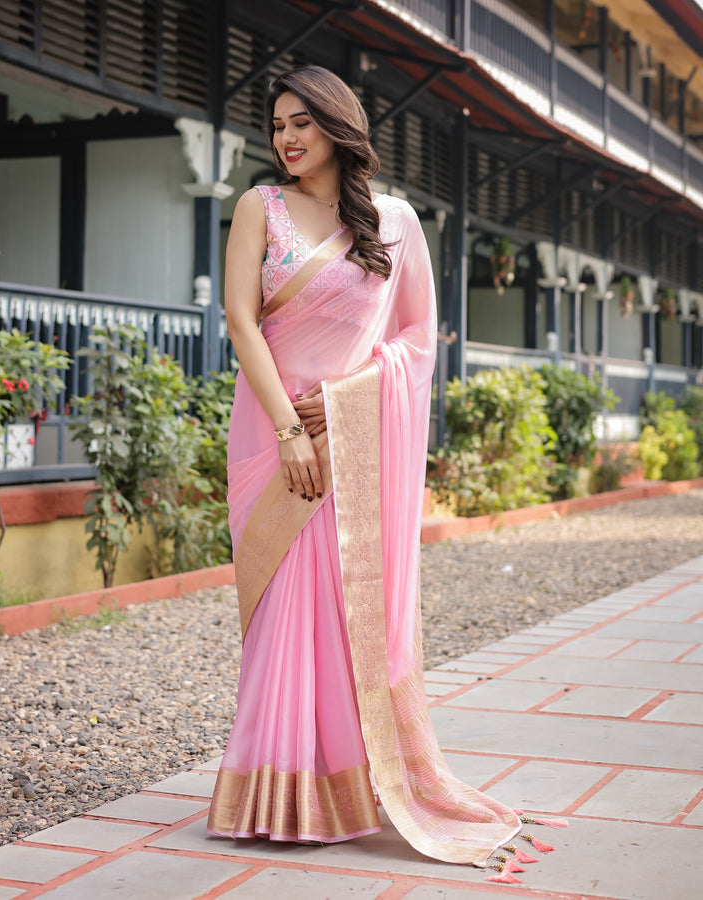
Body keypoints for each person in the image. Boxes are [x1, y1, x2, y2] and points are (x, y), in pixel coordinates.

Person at [206, 65, 521, 865]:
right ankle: (271, 787)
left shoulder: (396, 223)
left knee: (340, 616)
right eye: (277, 124)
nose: (286, 138)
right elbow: (241, 320)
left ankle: (339, 786)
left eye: (302, 123)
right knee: (282, 608)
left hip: (352, 439)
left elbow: (419, 341)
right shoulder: (259, 207)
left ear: (339, 127)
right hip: (271, 436)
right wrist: (289, 429)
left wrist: (346, 399)